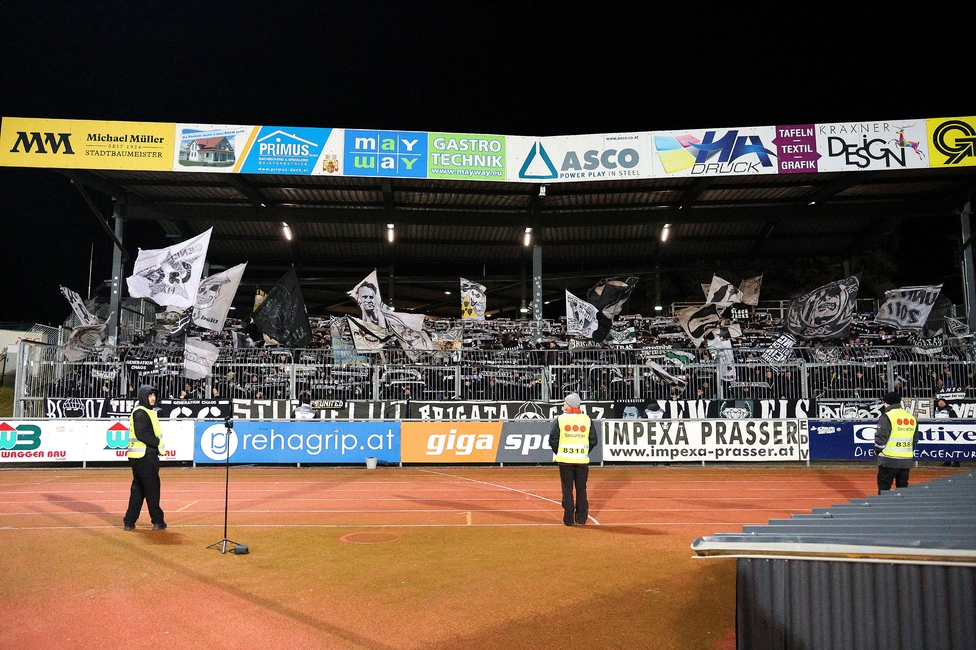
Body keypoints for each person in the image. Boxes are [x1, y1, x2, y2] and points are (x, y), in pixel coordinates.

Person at [549, 392, 599, 526]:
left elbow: (552, 439)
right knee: (581, 489)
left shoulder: (560, 419)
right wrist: (583, 451)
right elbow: (593, 440)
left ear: (569, 404)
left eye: (565, 402)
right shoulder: (587, 419)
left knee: (567, 489)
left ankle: (569, 519)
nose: (563, 404)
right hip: (582, 460)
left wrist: (559, 451)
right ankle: (582, 518)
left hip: (565, 460)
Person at [123, 385, 167, 531]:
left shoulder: (145, 411)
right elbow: (142, 434)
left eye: (154, 395)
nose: (153, 398)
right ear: (143, 396)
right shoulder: (141, 412)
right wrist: (157, 443)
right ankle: (157, 520)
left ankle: (129, 521)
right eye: (149, 395)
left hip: (139, 456)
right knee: (152, 489)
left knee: (138, 489)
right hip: (145, 456)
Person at [874, 392, 920, 494]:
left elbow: (881, 436)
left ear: (887, 403)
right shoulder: (911, 417)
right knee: (903, 489)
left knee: (884, 488)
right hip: (906, 460)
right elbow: (915, 439)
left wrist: (878, 451)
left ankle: (883, 508)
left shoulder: (887, 416)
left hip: (888, 459)